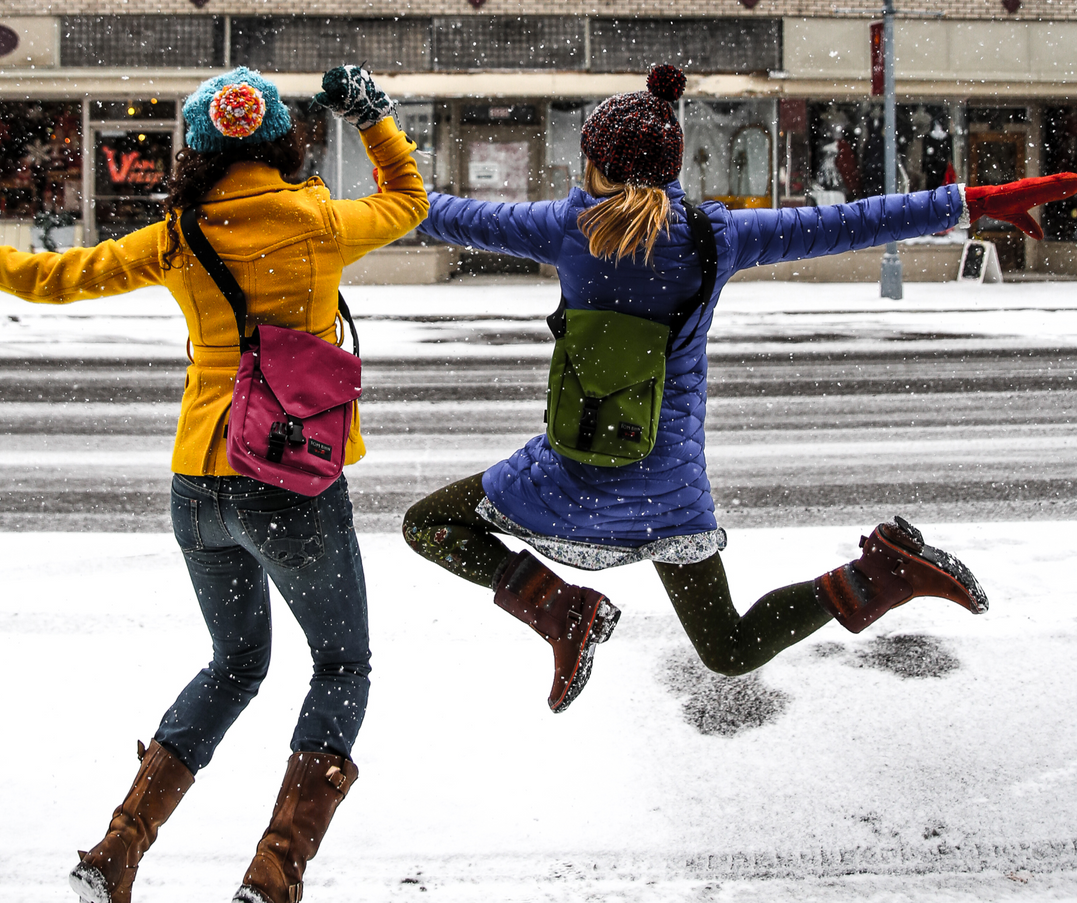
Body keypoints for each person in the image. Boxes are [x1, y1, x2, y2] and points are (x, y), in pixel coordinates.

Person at [0, 65, 427, 903]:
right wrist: (372, 117)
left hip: (197, 486)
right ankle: (274, 871)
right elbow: (409, 197)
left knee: (235, 662)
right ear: (281, 142)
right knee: (342, 663)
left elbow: (49, 279)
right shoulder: (318, 221)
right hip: (290, 481)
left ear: (193, 152)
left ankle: (117, 848)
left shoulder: (178, 234)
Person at [403, 64, 1077, 714]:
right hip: (666, 486)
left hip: (572, 466)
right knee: (729, 646)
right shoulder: (711, 238)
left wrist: (371, 160)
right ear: (671, 166)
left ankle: (562, 609)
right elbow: (851, 222)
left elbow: (435, 214)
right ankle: (883, 574)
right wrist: (975, 201)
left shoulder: (566, 229)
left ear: (595, 163)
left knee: (428, 524)